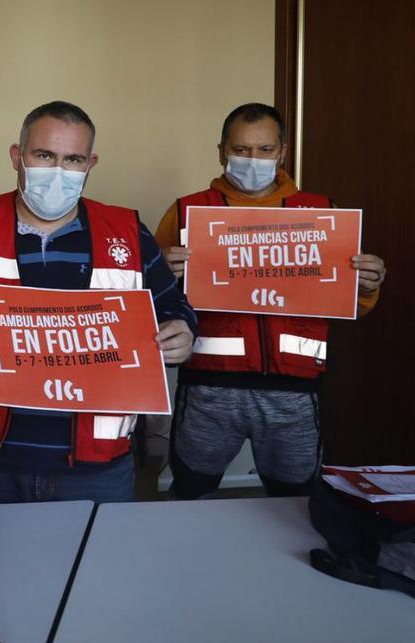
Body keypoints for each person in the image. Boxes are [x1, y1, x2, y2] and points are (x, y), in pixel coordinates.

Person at [0, 100, 197, 505]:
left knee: (94, 567)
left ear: (90, 163)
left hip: (98, 465)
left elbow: (173, 309)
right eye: (44, 155)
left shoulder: (129, 234)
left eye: (73, 159)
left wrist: (182, 332)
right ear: (17, 156)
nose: (58, 171)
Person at [155, 102, 386, 499]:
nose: (253, 159)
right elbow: (154, 300)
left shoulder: (321, 212)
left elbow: (354, 304)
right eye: (241, 150)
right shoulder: (187, 211)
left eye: (264, 150)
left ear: (281, 152)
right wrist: (165, 275)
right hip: (209, 388)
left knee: (295, 501)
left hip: (295, 391)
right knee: (190, 493)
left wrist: (367, 284)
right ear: (221, 152)